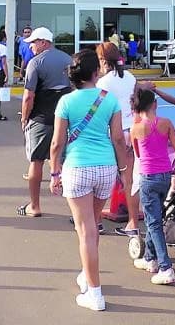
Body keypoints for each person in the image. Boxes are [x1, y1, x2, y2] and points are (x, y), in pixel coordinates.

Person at [48, 49, 126, 312]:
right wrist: (123, 169)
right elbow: (118, 139)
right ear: (95, 73)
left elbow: (57, 142)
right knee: (93, 227)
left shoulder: (66, 102)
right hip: (106, 168)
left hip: (78, 168)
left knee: (85, 231)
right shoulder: (109, 99)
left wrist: (54, 172)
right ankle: (87, 274)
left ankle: (95, 293)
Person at [129, 87, 175, 284]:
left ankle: (165, 267)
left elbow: (138, 154)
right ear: (154, 104)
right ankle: (150, 258)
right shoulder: (166, 123)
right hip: (165, 175)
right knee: (156, 218)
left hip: (148, 176)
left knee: (153, 222)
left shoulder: (136, 128)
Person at [18, 27, 71, 218]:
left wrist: (24, 118)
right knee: (65, 163)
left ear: (43, 42)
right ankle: (76, 209)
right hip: (64, 119)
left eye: (33, 42)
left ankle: (34, 206)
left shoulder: (35, 63)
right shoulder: (68, 60)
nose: (31, 46)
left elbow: (28, 96)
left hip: (41, 119)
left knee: (36, 161)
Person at [95, 41, 140, 237]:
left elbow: (96, 108)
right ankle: (133, 222)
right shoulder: (129, 77)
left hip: (114, 133)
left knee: (101, 177)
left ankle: (96, 221)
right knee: (129, 180)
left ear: (103, 60)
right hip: (133, 131)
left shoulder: (104, 83)